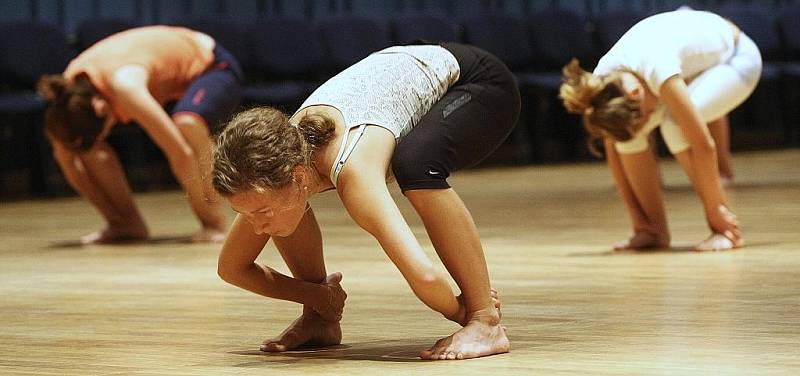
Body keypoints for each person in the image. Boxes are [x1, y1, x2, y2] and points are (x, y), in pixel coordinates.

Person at [211, 42, 520, 360]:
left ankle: (485, 321)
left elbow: (424, 275)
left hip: (479, 84)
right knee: (283, 213)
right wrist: (319, 297)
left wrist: (462, 311)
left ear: (300, 177)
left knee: (414, 163)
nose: (257, 225)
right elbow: (232, 268)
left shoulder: (353, 171)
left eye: (260, 210)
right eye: (243, 213)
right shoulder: (274, 160)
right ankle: (320, 320)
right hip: (405, 69)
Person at [559, 9, 761, 251]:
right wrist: (639, 223)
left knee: (675, 125)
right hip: (691, 67)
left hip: (738, 57)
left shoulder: (656, 66)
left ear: (635, 94)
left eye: (643, 116)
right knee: (629, 139)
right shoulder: (604, 84)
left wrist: (715, 212)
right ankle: (653, 231)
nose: (647, 122)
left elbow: (703, 145)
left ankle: (726, 231)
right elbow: (615, 151)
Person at [37, 25, 242, 244]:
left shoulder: (126, 85)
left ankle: (215, 223)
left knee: (187, 123)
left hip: (212, 65)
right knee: (84, 152)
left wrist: (207, 216)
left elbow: (179, 153)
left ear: (101, 108)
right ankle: (124, 224)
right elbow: (64, 157)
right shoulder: (67, 95)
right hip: (169, 80)